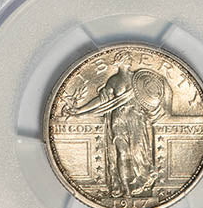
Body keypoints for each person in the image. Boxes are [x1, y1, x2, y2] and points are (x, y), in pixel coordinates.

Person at [66, 50, 171, 197]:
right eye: (127, 58)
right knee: (122, 153)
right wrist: (79, 110)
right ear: (120, 61)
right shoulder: (113, 81)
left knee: (137, 151)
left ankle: (140, 179)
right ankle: (125, 187)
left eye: (129, 58)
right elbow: (101, 100)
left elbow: (153, 92)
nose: (130, 60)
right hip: (118, 120)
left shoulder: (138, 78)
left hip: (136, 119)